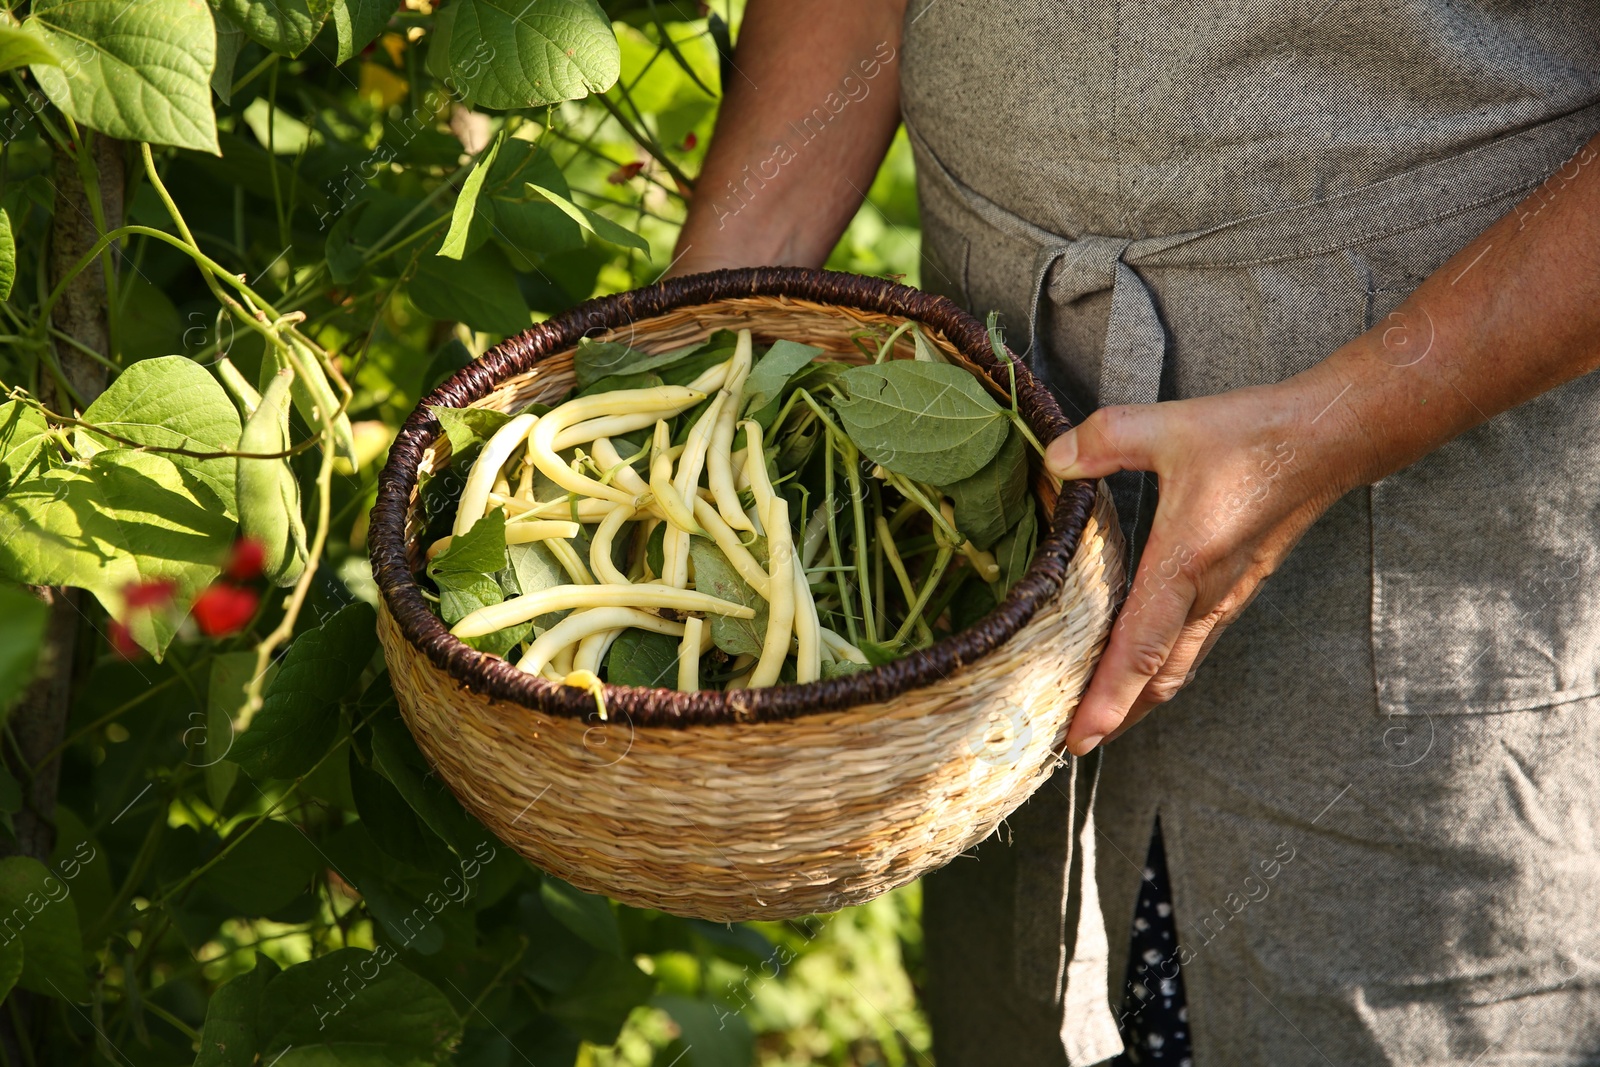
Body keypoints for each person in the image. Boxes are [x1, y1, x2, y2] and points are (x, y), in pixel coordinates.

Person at [668, 1, 1600, 1063]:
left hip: (1423, 519)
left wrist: (1341, 422)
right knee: (1014, 1010)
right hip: (995, 470)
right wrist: (696, 346)